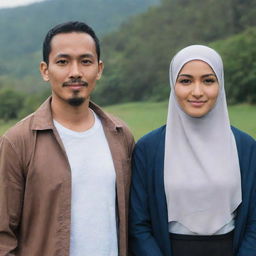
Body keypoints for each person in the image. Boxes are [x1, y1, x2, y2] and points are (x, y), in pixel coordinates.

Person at [0, 21, 134, 256]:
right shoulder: (18, 142)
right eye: (63, 62)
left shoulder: (121, 135)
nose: (75, 72)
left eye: (85, 61)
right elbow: (3, 235)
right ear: (45, 70)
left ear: (99, 69)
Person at [129, 45, 256, 256]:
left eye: (208, 80)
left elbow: (254, 222)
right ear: (173, 84)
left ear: (220, 84)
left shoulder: (245, 147)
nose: (197, 92)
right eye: (186, 81)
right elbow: (139, 225)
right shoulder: (149, 149)